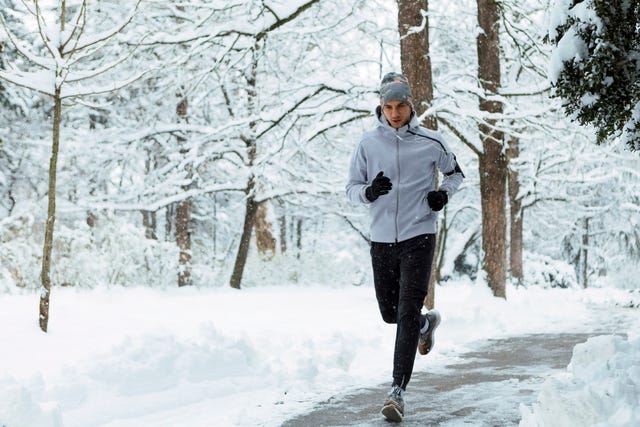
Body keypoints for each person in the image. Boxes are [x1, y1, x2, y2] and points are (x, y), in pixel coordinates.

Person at [346, 72, 465, 422]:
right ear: (380, 107)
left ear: (412, 105)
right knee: (390, 313)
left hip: (419, 234)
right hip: (382, 238)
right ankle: (424, 327)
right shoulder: (368, 144)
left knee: (407, 308)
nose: (394, 113)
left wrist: (443, 194)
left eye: (401, 106)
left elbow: (455, 173)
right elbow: (351, 187)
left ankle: (396, 391)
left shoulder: (432, 142)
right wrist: (368, 192)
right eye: (388, 106)